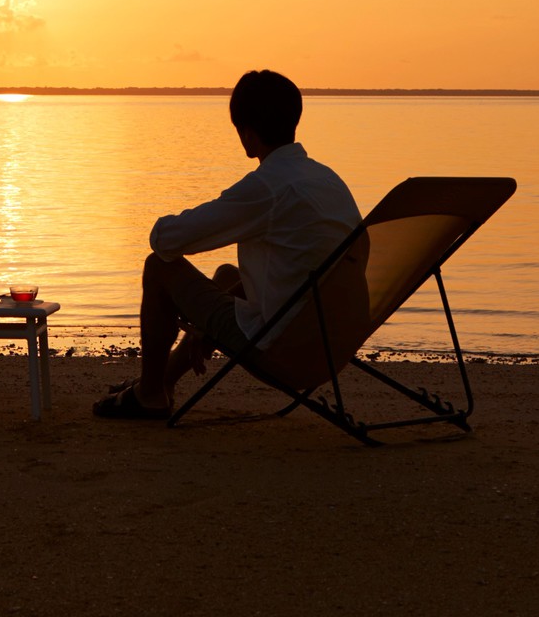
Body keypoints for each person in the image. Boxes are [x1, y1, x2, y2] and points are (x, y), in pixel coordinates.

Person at [94, 69, 361, 421]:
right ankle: (160, 383)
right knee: (225, 276)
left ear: (247, 134)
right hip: (332, 344)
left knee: (158, 267)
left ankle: (150, 395)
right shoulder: (327, 179)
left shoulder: (266, 188)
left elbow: (166, 240)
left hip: (285, 353)